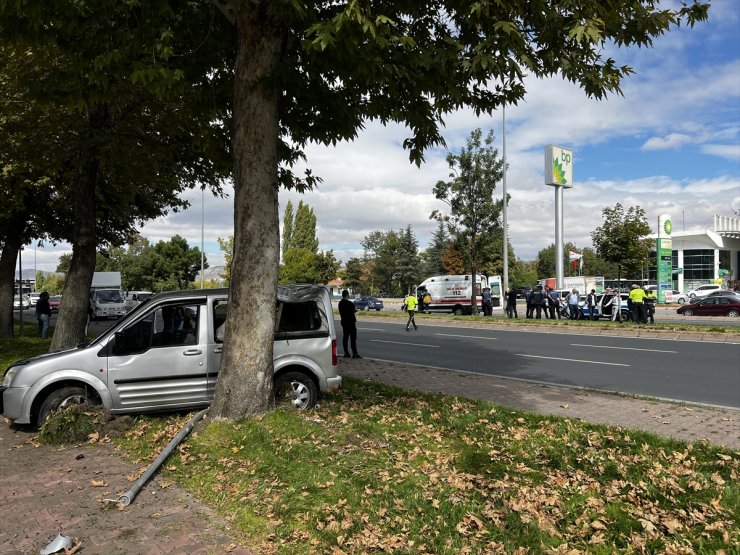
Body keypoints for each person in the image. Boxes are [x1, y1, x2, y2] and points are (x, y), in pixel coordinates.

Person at [338, 290, 361, 358]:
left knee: (345, 337)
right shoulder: (350, 303)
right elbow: (355, 310)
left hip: (344, 322)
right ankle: (355, 353)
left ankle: (346, 353)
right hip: (351, 322)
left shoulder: (340, 303)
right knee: (353, 338)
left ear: (342, 295)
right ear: (347, 295)